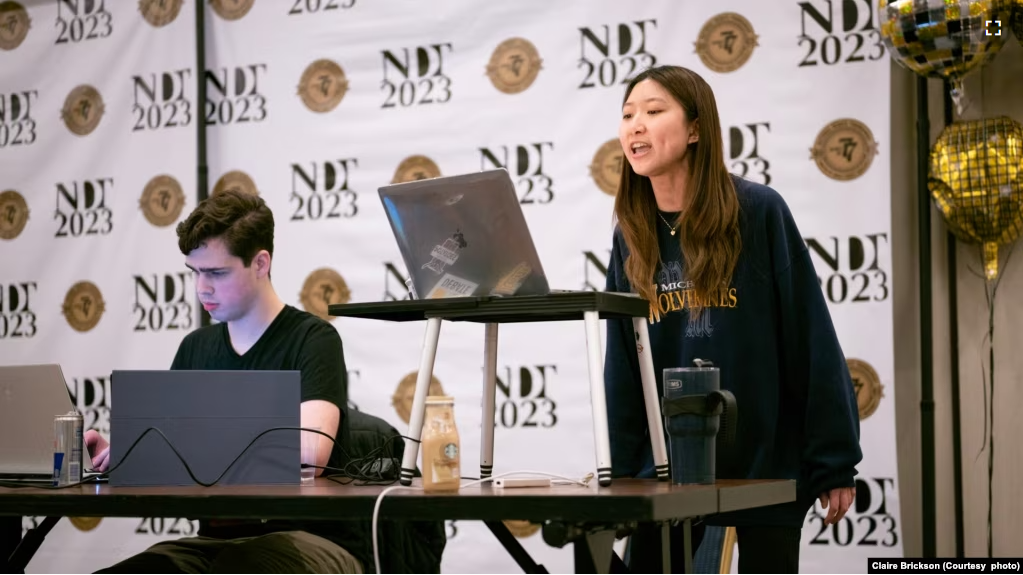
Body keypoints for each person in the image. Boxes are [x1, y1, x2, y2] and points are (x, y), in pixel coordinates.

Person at [603, 65, 862, 573]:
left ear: (696, 128)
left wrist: (834, 459)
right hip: (667, 472)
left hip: (765, 463)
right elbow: (623, 363)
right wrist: (622, 474)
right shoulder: (631, 234)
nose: (636, 125)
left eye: (654, 112)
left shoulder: (758, 210)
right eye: (628, 114)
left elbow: (810, 339)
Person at [84, 189, 367, 573]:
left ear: (261, 263)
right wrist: (130, 455)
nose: (202, 288)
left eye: (216, 272)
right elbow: (169, 447)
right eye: (195, 272)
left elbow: (310, 455)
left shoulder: (312, 340)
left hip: (313, 541)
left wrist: (185, 441)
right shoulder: (194, 348)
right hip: (216, 545)